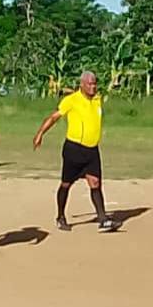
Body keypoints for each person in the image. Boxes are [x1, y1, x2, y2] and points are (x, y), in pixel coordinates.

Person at [33, 71, 121, 232]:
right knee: (66, 184)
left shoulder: (97, 100)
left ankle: (103, 219)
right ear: (82, 84)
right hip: (74, 149)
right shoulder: (71, 100)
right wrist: (40, 134)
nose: (93, 87)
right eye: (90, 84)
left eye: (94, 83)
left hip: (92, 150)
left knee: (95, 183)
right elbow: (54, 117)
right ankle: (60, 217)